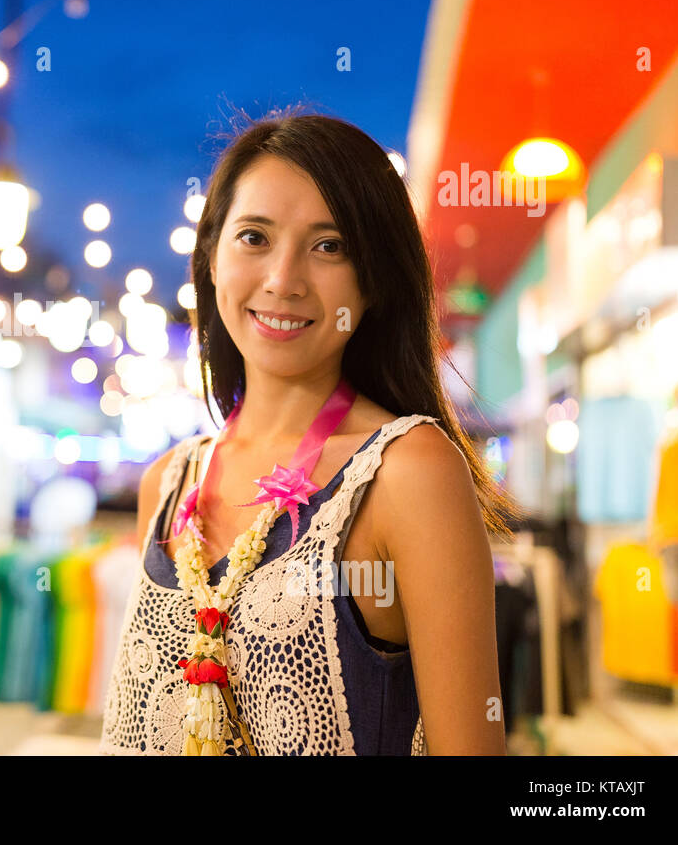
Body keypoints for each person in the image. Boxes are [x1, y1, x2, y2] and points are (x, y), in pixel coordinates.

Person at [99, 112, 513, 756]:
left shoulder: (410, 472)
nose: (283, 280)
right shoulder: (168, 482)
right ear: (211, 256)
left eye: (330, 246)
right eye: (254, 237)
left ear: (373, 279)